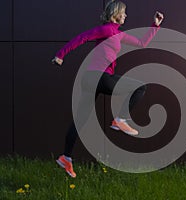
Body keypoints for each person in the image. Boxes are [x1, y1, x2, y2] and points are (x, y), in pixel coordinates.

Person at [52, 0, 164, 178]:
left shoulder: (118, 34)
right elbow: (82, 38)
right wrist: (60, 55)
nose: (126, 16)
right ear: (116, 14)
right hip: (99, 77)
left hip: (91, 79)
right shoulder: (106, 29)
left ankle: (66, 158)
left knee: (80, 121)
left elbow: (142, 43)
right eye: (124, 13)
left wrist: (155, 26)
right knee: (140, 87)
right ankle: (120, 119)